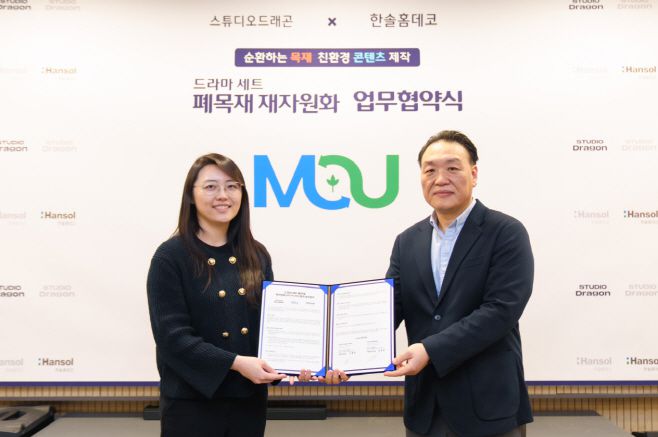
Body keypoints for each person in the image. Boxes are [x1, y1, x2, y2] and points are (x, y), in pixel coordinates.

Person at [384, 131, 534, 437]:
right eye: (430, 170)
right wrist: (341, 359)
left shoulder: (506, 232)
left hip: (489, 408)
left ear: (474, 174)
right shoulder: (407, 241)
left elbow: (501, 311)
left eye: (452, 168)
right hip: (424, 410)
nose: (440, 179)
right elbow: (387, 310)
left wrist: (430, 349)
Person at [146, 153, 286, 437]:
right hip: (191, 404)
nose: (223, 195)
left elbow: (271, 327)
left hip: (248, 401)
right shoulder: (170, 257)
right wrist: (237, 363)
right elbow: (172, 337)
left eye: (232, 186)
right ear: (191, 195)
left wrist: (303, 365)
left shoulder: (257, 254)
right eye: (211, 186)